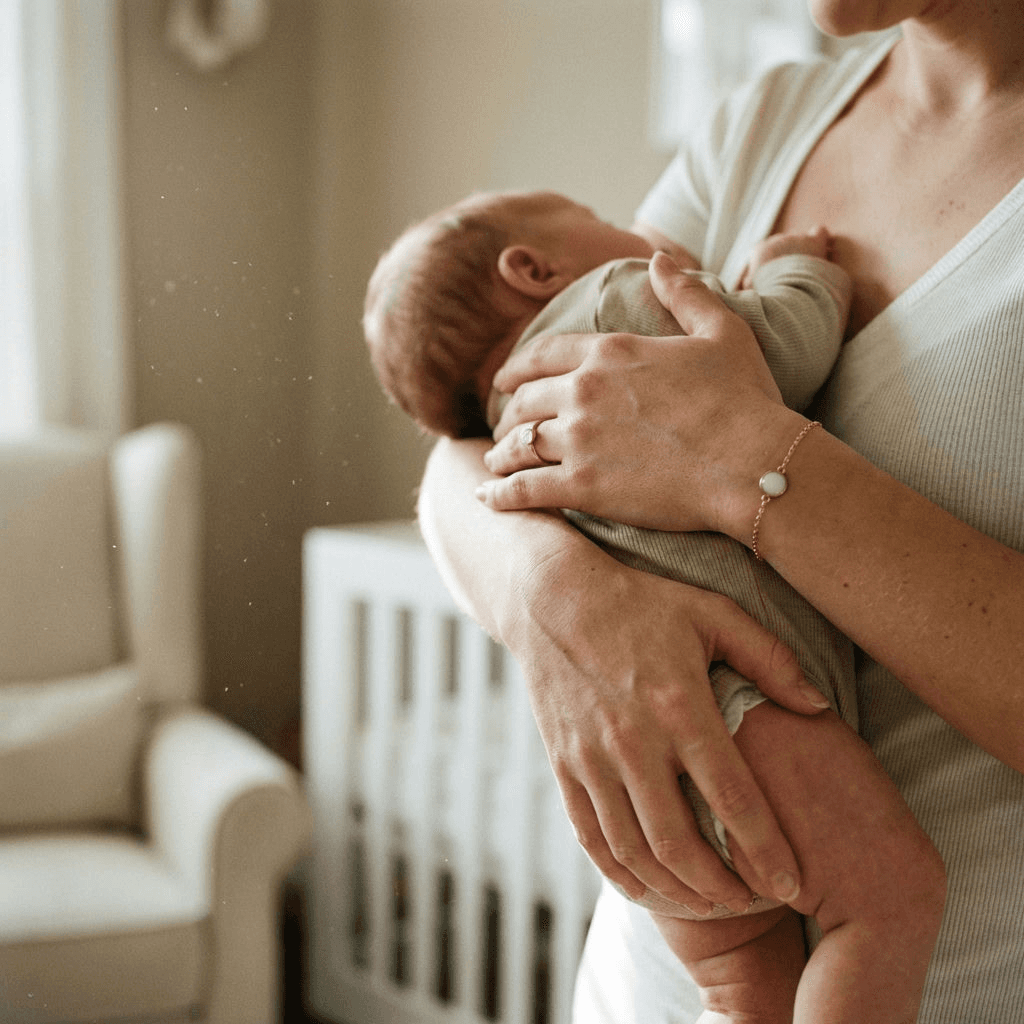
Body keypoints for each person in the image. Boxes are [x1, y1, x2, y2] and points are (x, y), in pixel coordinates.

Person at [416, 1, 1024, 1021]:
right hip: (633, 991)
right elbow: (457, 459)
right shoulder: (766, 121)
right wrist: (555, 599)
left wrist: (744, 464)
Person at [365, 190, 945, 1023]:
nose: (638, 228)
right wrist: (799, 274)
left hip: (637, 779)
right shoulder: (613, 305)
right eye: (591, 208)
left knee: (744, 986)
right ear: (532, 270)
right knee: (888, 900)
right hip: (733, 716)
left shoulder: (506, 440)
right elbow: (778, 353)